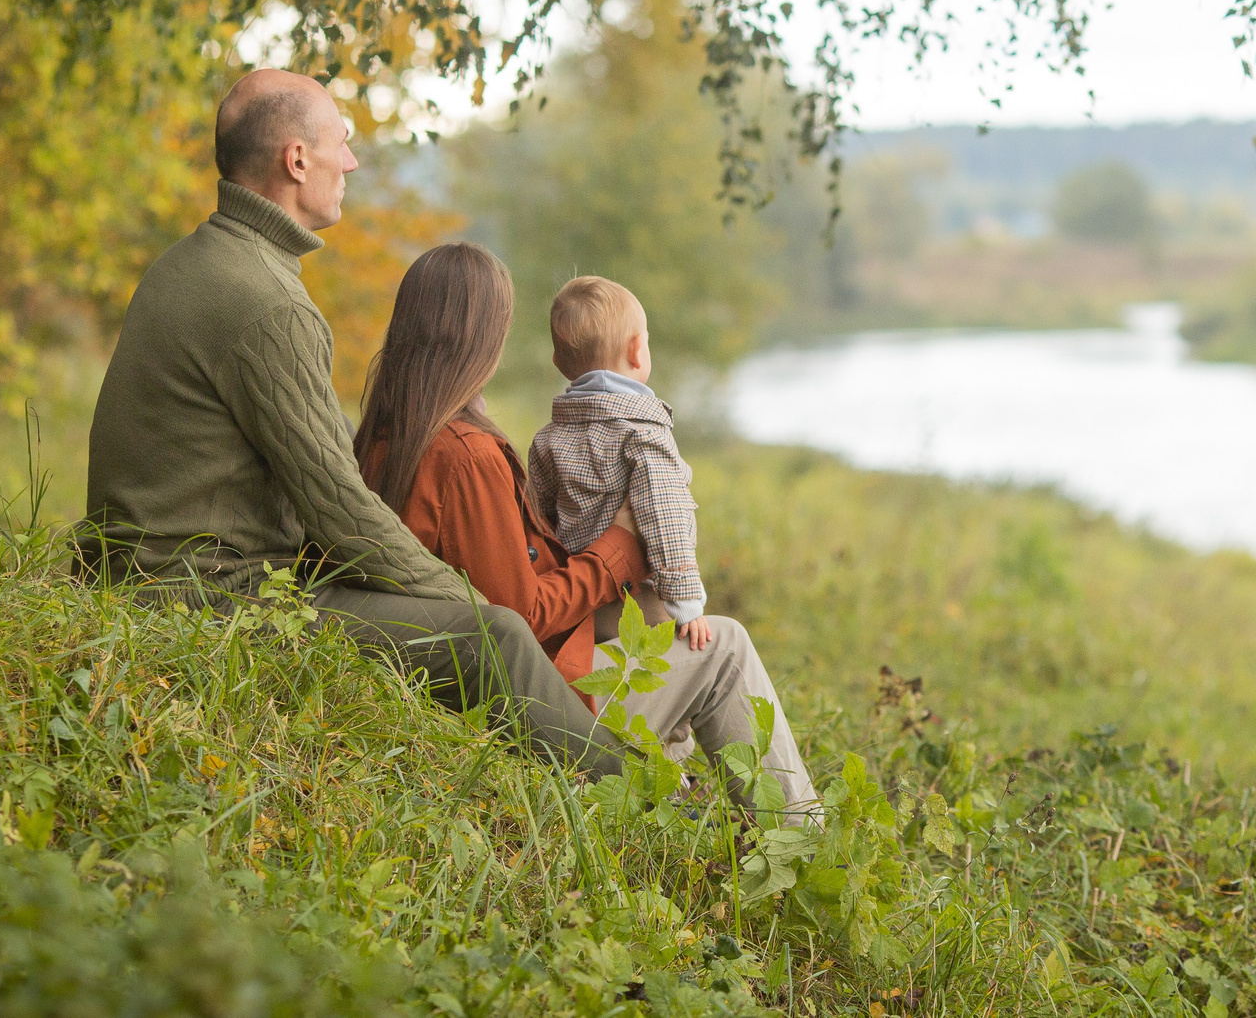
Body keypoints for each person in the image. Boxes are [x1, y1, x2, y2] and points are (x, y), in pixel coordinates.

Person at [79, 68, 620, 775]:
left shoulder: (188, 265)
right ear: (296, 159)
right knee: (496, 637)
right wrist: (469, 597)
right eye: (343, 142)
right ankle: (642, 804)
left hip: (142, 582)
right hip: (215, 600)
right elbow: (341, 511)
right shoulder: (267, 302)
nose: (353, 161)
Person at [355, 241, 819, 821]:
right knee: (722, 646)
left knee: (653, 638)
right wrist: (620, 547)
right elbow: (517, 615)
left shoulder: (383, 440)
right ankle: (798, 840)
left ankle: (668, 811)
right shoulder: (466, 455)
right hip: (538, 703)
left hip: (460, 689)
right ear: (481, 341)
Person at [527, 276, 709, 652]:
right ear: (636, 349)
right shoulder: (642, 434)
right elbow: (665, 515)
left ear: (559, 363)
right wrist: (687, 603)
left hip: (583, 601)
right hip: (640, 599)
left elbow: (540, 525)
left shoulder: (547, 439)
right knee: (689, 663)